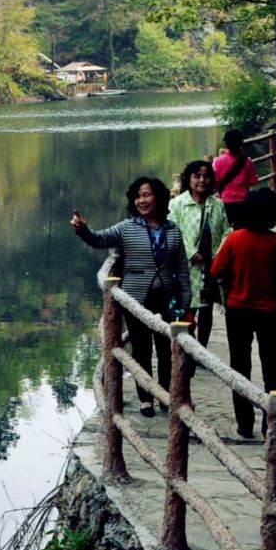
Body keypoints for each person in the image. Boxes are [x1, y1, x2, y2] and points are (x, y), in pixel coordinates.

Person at [71, 177, 191, 416]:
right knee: (142, 349)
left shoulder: (173, 231)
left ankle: (165, 395)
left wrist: (186, 304)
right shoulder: (127, 227)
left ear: (158, 197)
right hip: (136, 298)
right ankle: (145, 398)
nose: (141, 200)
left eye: (146, 195)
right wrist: (83, 230)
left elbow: (182, 271)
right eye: (137, 196)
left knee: (166, 350)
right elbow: (99, 239)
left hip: (167, 298)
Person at [208, 186, 276, 439]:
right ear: (274, 213)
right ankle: (273, 422)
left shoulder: (235, 239)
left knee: (239, 366)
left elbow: (216, 270)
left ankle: (244, 423)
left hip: (238, 310)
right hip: (272, 312)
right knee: (274, 368)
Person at [169, 160, 230, 345]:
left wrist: (220, 252)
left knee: (207, 308)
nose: (202, 180)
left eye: (206, 176)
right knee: (187, 307)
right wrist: (191, 252)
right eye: (197, 176)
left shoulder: (218, 204)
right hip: (187, 267)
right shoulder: (177, 205)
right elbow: (172, 230)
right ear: (189, 179)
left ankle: (202, 347)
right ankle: (188, 345)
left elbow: (227, 230)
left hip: (212, 266)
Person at [213, 130, 261, 228]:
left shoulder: (218, 162)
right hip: (243, 201)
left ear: (226, 144)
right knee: (241, 230)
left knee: (226, 230)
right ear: (241, 143)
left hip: (225, 201)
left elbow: (215, 181)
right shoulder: (246, 162)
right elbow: (253, 181)